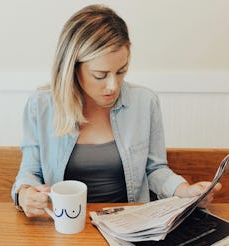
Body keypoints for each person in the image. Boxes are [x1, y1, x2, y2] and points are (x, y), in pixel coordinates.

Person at [11, 4, 221, 217]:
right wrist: (24, 194)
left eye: (121, 71)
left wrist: (184, 191)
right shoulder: (41, 106)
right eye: (100, 75)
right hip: (68, 226)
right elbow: (30, 171)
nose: (113, 86)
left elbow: (155, 169)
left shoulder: (144, 101)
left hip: (130, 224)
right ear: (72, 67)